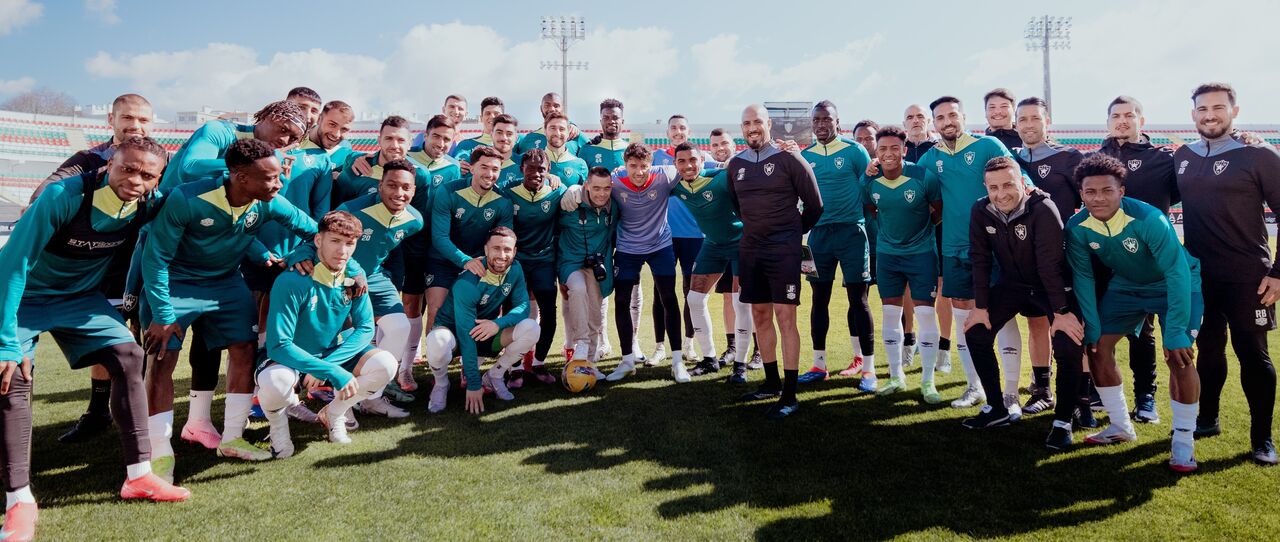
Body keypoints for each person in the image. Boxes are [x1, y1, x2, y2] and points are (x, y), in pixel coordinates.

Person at [0, 137, 191, 541]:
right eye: (128, 169)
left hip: (79, 301)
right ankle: (19, 501)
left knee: (128, 355)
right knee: (11, 375)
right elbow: (12, 266)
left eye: (147, 174)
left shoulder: (151, 204)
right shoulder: (61, 196)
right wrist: (4, 341)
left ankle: (139, 476)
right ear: (108, 166)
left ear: (157, 179)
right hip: (24, 299)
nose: (136, 180)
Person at [140, 138, 326, 478]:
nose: (279, 183)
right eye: (270, 177)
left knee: (243, 347)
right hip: (177, 282)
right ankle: (159, 450)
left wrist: (301, 254)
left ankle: (232, 438)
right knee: (163, 355)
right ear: (239, 177)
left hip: (226, 282)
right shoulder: (187, 198)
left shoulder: (267, 202)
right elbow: (155, 260)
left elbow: (315, 231)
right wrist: (163, 314)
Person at [24, 93, 155, 443]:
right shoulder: (90, 158)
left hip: (133, 263)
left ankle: (128, 419)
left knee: (131, 345)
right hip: (91, 267)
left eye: (142, 120)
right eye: (127, 118)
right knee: (106, 345)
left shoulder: (159, 160)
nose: (135, 126)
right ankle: (96, 413)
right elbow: (49, 189)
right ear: (111, 120)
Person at [1066, 153, 1202, 470]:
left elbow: (1176, 271)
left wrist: (1177, 329)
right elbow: (1083, 276)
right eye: (1090, 192)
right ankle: (1120, 426)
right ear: (1081, 193)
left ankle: (1184, 440)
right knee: (1096, 346)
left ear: (1122, 191)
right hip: (1127, 286)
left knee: (1178, 352)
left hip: (1176, 284)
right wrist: (1093, 324)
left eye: (1107, 190)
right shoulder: (1076, 227)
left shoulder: (1148, 219)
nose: (1098, 198)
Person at [1176, 82, 1280, 464]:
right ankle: (1208, 418)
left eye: (1218, 108)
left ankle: (1262, 439)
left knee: (1253, 354)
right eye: (1202, 109)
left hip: (1248, 277)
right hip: (1200, 276)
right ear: (1193, 115)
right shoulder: (1183, 156)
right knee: (1208, 349)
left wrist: (1279, 273)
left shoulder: (1258, 155)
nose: (1210, 115)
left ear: (1234, 111)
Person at [960, 158, 1085, 451]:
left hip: (1050, 286)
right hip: (1013, 285)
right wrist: (980, 307)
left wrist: (1061, 313)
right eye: (993, 187)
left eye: (1008, 184)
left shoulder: (1043, 208)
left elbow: (1049, 265)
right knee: (976, 333)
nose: (1001, 193)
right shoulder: (980, 210)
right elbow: (979, 259)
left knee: (1068, 342)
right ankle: (996, 408)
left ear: (1023, 183)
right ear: (985, 188)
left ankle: (1062, 421)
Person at [258, 211, 399, 456]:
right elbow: (279, 345)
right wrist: (331, 371)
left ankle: (333, 414)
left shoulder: (355, 277)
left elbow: (366, 327)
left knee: (385, 365)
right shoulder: (292, 280)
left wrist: (327, 364)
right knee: (274, 382)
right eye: (335, 241)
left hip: (329, 353)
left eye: (349, 243)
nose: (342, 251)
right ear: (318, 240)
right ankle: (279, 428)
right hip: (289, 358)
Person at [919, 96, 1016, 410]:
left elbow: (1017, 177)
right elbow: (906, 179)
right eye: (941, 117)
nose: (947, 121)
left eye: (952, 115)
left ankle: (1011, 391)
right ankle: (975, 387)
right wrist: (875, 167)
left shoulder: (987, 146)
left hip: (995, 248)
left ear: (963, 116)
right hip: (954, 248)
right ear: (934, 124)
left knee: (1001, 315)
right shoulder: (930, 159)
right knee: (963, 316)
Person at [727, 104, 822, 419]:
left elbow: (815, 204)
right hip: (751, 249)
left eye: (757, 122)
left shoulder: (789, 158)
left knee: (785, 318)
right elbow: (737, 207)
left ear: (768, 124)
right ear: (742, 128)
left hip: (784, 251)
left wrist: (791, 233)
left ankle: (790, 395)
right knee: (760, 315)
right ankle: (770, 382)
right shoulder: (735, 164)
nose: (752, 128)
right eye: (746, 123)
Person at [1089, 95, 1180, 424]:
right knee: (1099, 327)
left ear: (1142, 120)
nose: (1122, 120)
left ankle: (1145, 398)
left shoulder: (1163, 160)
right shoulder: (1097, 157)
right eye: (1116, 115)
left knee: (1143, 332)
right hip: (1104, 257)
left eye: (1129, 115)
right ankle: (1099, 392)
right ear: (1108, 121)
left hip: (1148, 262)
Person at [562, 143, 687, 382]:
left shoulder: (665, 176)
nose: (638, 171)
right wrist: (576, 188)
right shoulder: (616, 182)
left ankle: (677, 361)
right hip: (628, 249)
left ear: (651, 165)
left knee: (668, 298)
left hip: (660, 246)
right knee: (621, 301)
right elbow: (592, 185)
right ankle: (627, 360)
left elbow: (695, 169)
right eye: (633, 166)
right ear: (625, 165)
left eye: (643, 166)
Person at [331, 159, 426, 418]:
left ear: (414, 190)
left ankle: (371, 397)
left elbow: (386, 248)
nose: (399, 193)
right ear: (380, 186)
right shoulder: (352, 211)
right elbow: (325, 244)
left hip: (373, 277)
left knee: (400, 326)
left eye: (406, 187)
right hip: (337, 277)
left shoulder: (414, 220)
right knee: (346, 336)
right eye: (392, 185)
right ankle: (340, 398)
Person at [1012, 96, 1084, 416]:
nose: (1029, 125)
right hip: (1023, 259)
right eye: (1023, 119)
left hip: (1062, 257)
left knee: (1069, 324)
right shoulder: (1010, 159)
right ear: (1016, 125)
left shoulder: (1068, 158)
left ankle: (1083, 393)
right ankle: (1042, 388)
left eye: (1035, 119)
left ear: (1047, 122)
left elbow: (1091, 200)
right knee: (1036, 324)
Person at [862, 126, 943, 402]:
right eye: (882, 148)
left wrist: (918, 236)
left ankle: (928, 381)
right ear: (876, 152)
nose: (888, 153)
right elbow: (871, 209)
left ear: (904, 150)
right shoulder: (870, 181)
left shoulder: (922, 176)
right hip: (888, 256)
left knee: (925, 316)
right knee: (889, 315)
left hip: (922, 255)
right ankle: (896, 376)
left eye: (894, 148)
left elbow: (938, 210)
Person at [798, 102, 874, 387]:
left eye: (826, 119)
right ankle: (819, 365)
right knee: (819, 300)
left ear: (837, 121)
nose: (820, 124)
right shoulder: (805, 156)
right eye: (816, 120)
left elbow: (867, 189)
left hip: (852, 233)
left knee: (859, 299)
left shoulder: (855, 151)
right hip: (818, 237)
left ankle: (868, 369)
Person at [424, 228, 540, 413]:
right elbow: (465, 333)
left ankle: (495, 375)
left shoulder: (516, 269)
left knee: (531, 328)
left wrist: (498, 324)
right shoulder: (468, 281)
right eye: (496, 248)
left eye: (507, 249)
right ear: (486, 250)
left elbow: (523, 307)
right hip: (454, 335)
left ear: (515, 251)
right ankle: (441, 383)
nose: (502, 255)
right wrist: (473, 384)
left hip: (485, 331)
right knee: (436, 340)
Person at [669, 143, 754, 382]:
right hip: (713, 245)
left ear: (702, 159)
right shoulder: (676, 186)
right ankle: (709, 359)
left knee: (741, 304)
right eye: (682, 161)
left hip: (740, 244)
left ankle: (740, 365)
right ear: (675, 164)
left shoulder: (720, 178)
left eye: (693, 160)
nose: (688, 166)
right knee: (694, 298)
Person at [426, 146, 515, 345]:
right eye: (484, 167)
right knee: (436, 309)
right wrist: (465, 261)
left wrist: (486, 263)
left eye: (495, 169)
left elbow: (502, 240)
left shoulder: (503, 201)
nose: (490, 174)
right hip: (443, 260)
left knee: (476, 312)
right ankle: (437, 372)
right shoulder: (449, 191)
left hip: (479, 264)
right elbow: (439, 237)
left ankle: (467, 365)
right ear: (472, 168)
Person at [399, 115, 462, 379]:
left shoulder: (453, 167)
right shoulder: (409, 161)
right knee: (411, 305)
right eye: (436, 136)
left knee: (437, 306)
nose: (441, 143)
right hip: (411, 244)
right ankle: (406, 367)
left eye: (447, 139)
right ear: (425, 135)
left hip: (440, 247)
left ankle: (435, 361)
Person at [497, 149, 567, 384]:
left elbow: (576, 195)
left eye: (542, 169)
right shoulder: (509, 194)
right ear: (521, 169)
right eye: (531, 168)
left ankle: (538, 363)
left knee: (549, 310)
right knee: (513, 312)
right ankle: (514, 366)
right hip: (516, 262)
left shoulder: (556, 192)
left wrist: (568, 185)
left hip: (544, 260)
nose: (536, 173)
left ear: (548, 172)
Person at [652, 114, 707, 364]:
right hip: (663, 235)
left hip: (694, 236)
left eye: (682, 127)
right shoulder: (657, 159)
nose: (678, 131)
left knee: (690, 291)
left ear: (689, 131)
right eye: (673, 127)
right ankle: (659, 346)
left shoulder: (699, 160)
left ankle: (688, 343)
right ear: (667, 132)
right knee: (660, 291)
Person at [558, 167, 618, 376]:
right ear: (586, 186)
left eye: (607, 188)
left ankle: (589, 363)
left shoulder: (614, 205)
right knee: (578, 289)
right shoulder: (568, 202)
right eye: (596, 188)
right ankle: (580, 343)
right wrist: (569, 188)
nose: (601, 193)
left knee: (595, 312)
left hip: (598, 265)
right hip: (571, 262)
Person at [514, 92, 589, 155]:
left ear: (562, 108)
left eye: (556, 106)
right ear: (541, 108)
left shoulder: (575, 134)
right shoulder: (529, 139)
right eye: (547, 105)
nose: (552, 109)